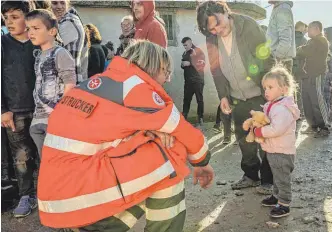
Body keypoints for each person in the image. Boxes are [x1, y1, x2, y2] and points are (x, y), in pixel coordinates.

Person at [37, 40, 214, 231]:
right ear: (154, 66)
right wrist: (202, 162)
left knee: (153, 149)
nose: (167, 79)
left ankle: (99, 226)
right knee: (170, 151)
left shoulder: (94, 84)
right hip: (79, 195)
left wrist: (148, 132)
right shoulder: (134, 86)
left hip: (59, 196)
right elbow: (182, 129)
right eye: (166, 72)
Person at [196, 1, 275, 193]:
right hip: (236, 96)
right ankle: (250, 175)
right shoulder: (211, 38)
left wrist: (271, 90)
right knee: (243, 137)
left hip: (259, 91)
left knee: (265, 138)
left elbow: (266, 57)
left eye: (219, 24)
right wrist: (223, 95)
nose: (217, 30)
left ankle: (268, 179)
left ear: (224, 11)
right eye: (211, 29)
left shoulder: (247, 25)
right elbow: (215, 69)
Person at [1, 0, 38, 218]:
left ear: (28, 16)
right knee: (21, 157)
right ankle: (26, 195)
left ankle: (52, 194)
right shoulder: (2, 44)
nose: (9, 22)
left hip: (44, 111)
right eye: (6, 18)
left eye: (15, 17)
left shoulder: (40, 40)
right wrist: (2, 109)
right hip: (15, 111)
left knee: (47, 155)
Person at [25, 9, 76, 158]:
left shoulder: (60, 53)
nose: (31, 33)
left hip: (55, 117)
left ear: (52, 31)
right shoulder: (39, 55)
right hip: (39, 117)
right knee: (45, 160)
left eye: (36, 28)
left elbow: (70, 84)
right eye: (28, 29)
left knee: (57, 161)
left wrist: (60, 114)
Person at [254, 65, 300, 218]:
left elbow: (276, 129)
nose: (266, 91)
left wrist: (260, 131)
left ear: (284, 89)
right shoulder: (273, 105)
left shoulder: (283, 108)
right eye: (265, 87)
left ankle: (284, 203)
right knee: (276, 176)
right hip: (274, 149)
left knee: (282, 178)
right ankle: (276, 196)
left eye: (270, 87)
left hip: (282, 151)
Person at [296, 21, 329, 137]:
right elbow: (303, 51)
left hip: (316, 74)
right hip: (307, 75)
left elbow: (305, 51)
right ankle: (313, 126)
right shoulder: (311, 41)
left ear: (316, 29)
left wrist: (301, 49)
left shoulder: (321, 40)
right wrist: (301, 49)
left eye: (309, 29)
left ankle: (324, 126)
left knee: (317, 100)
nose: (307, 31)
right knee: (307, 101)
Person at [51, 0, 88, 83]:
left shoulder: (68, 22)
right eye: (55, 3)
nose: (59, 7)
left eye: (62, 3)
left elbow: (52, 51)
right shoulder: (61, 22)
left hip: (69, 82)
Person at [181, 37, 206, 126]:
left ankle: (200, 120)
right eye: (183, 46)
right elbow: (183, 64)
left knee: (199, 100)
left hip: (197, 80)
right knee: (186, 100)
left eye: (186, 45)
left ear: (190, 43)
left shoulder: (198, 51)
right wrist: (183, 64)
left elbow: (202, 63)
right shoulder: (185, 52)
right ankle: (184, 120)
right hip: (188, 81)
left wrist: (190, 63)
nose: (185, 47)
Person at [267, 1, 296, 73]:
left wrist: (275, 60)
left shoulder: (282, 9)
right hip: (280, 61)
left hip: (280, 62)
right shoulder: (280, 8)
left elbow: (285, 41)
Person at [293, 21, 308, 118]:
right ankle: (299, 113)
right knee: (299, 92)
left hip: (289, 67)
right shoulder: (303, 40)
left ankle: (290, 112)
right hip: (300, 68)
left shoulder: (289, 37)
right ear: (301, 28)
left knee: (289, 91)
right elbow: (306, 55)